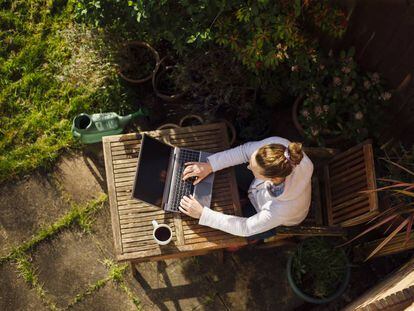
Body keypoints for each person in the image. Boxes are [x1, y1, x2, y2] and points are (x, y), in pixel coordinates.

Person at [179, 137, 314, 238]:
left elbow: (246, 227)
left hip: (273, 216)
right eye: (251, 162)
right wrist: (210, 166)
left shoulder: (281, 209)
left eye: (253, 169)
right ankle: (245, 195)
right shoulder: (278, 149)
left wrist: (203, 214)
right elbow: (244, 152)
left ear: (272, 179)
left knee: (225, 233)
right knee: (228, 172)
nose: (248, 166)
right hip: (258, 189)